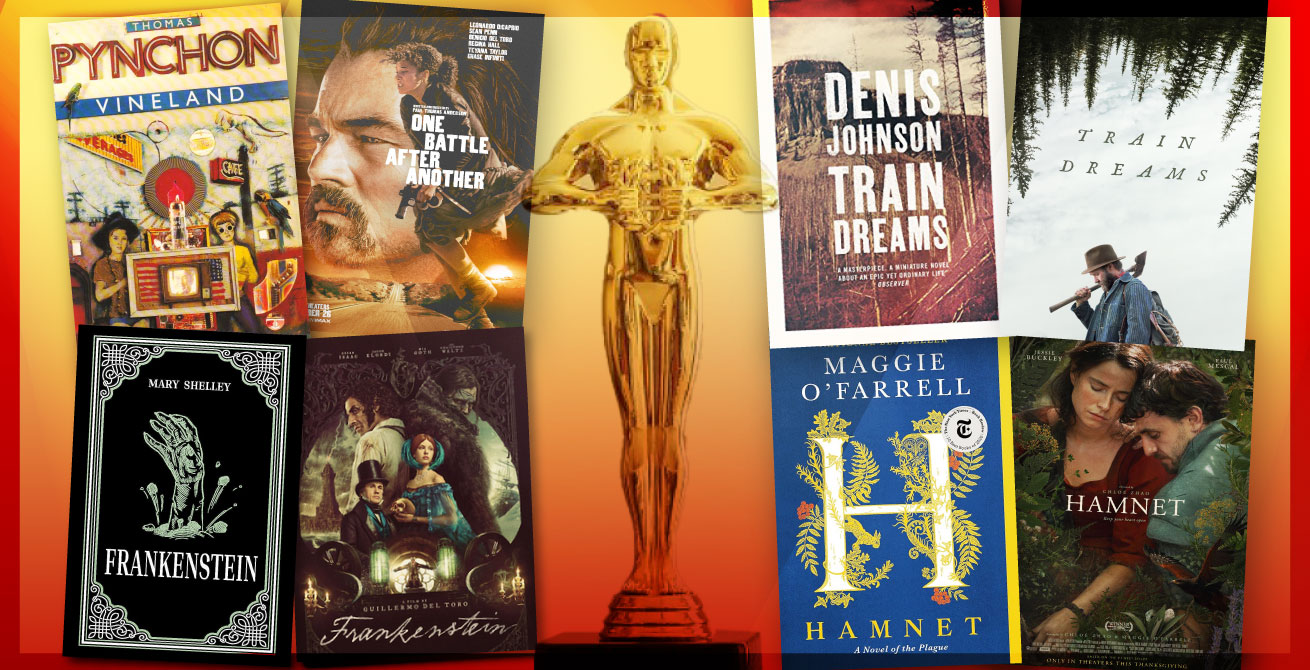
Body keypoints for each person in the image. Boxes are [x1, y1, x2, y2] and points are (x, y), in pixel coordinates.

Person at [302, 15, 531, 329]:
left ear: (425, 74)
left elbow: (469, 149)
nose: (318, 168)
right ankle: (476, 297)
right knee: (433, 230)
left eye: (370, 138)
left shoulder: (451, 102)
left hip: (479, 176)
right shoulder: (409, 105)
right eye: (321, 136)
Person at [1018, 341, 1172, 649]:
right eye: (1098, 387)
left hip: (1106, 594)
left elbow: (1132, 556)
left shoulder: (1142, 456)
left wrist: (1073, 613)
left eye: (1121, 397)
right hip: (1032, 578)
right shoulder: (1029, 428)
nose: (1105, 405)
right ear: (1075, 374)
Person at [1126, 361, 1244, 639]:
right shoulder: (1251, 437)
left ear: (1193, 419)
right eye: (1141, 436)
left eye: (1154, 434)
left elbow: (1195, 630)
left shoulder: (1176, 500)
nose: (1147, 450)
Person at [390, 433, 475, 552]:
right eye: (421, 447)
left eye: (430, 449)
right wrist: (399, 508)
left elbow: (452, 519)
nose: (426, 452)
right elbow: (410, 509)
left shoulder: (436, 479)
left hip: (440, 539)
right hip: (415, 538)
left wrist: (414, 519)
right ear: (413, 453)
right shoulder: (410, 483)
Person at [1070, 244, 1155, 344]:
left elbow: (1137, 338)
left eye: (1097, 274)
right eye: (1093, 276)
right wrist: (1081, 303)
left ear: (1110, 267)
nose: (1095, 281)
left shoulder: (1134, 288)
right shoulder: (1107, 293)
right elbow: (1097, 332)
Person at [343, 380, 407, 504]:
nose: (350, 422)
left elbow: (358, 501)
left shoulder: (371, 439)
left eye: (355, 411)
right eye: (348, 415)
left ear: (375, 405)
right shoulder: (400, 437)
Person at [209, 210, 261, 333]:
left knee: (254, 329)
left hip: (239, 297)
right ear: (217, 233)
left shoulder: (243, 250)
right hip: (221, 300)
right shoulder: (214, 252)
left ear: (233, 227)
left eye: (229, 227)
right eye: (221, 230)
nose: (226, 232)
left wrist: (242, 274)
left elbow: (254, 277)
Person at [89, 213, 144, 326]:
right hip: (117, 318)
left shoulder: (133, 261)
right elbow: (99, 296)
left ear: (127, 242)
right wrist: (123, 283)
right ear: (108, 240)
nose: (119, 242)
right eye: (115, 238)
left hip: (138, 315)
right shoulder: (102, 264)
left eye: (123, 238)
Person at [340, 459, 394, 556]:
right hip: (366, 565)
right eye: (372, 486)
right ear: (361, 492)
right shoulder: (351, 519)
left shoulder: (388, 519)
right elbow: (349, 551)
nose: (377, 491)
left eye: (380, 487)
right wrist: (373, 563)